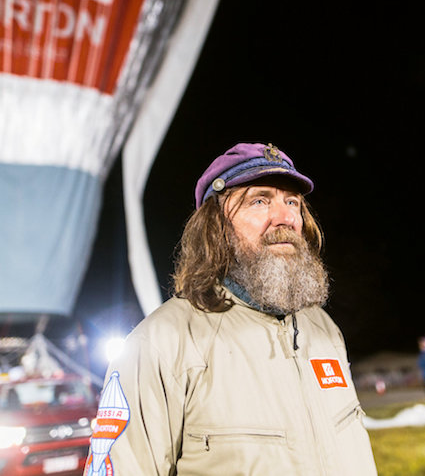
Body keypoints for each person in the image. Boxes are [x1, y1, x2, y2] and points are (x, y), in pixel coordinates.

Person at [84, 143, 377, 475]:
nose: (285, 218)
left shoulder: (323, 328)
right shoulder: (161, 343)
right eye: (259, 201)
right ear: (216, 227)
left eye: (292, 202)